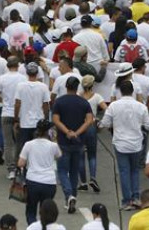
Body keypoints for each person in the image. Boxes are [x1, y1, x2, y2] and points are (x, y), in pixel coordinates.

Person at [101, 78, 149, 210]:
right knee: (135, 171)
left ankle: (126, 201)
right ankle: (135, 198)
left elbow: (105, 123)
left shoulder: (113, 106)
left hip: (120, 143)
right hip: (136, 143)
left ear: (120, 91)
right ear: (133, 91)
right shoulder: (141, 106)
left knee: (124, 172)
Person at [50, 75, 93, 214]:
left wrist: (67, 131)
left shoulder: (59, 102)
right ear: (77, 87)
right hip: (79, 142)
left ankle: (68, 195)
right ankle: (73, 195)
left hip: (63, 141)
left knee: (63, 170)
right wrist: (77, 133)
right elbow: (89, 120)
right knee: (74, 171)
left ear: (66, 86)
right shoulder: (84, 102)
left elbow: (55, 120)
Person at [17, 121, 60, 226]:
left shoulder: (29, 144)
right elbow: (58, 156)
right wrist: (54, 139)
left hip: (33, 181)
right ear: (48, 132)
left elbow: (20, 163)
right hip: (49, 182)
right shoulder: (53, 145)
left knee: (31, 210)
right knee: (45, 210)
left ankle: (33, 227)